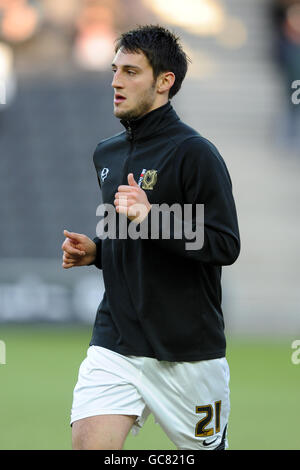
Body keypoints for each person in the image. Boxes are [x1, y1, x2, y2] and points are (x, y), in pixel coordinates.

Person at [62, 25, 240, 451]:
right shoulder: (106, 153)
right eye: (114, 69)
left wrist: (153, 217)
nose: (115, 81)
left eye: (130, 71)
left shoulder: (195, 153)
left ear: (164, 82)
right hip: (116, 341)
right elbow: (129, 240)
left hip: (186, 353)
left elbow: (225, 244)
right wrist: (98, 252)